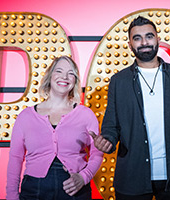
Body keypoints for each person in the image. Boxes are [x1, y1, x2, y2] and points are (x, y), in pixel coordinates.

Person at [89, 16, 170, 200]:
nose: (144, 42)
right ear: (130, 44)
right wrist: (107, 141)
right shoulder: (119, 81)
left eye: (149, 36)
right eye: (137, 38)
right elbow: (111, 126)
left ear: (157, 39)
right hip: (132, 178)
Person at [6, 56, 103, 200]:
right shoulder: (25, 116)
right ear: (50, 76)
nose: (65, 76)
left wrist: (84, 177)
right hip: (34, 190)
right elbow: (15, 158)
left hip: (76, 190)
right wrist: (12, 196)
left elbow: (97, 153)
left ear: (75, 80)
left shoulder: (86, 115)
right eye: (59, 71)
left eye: (71, 73)